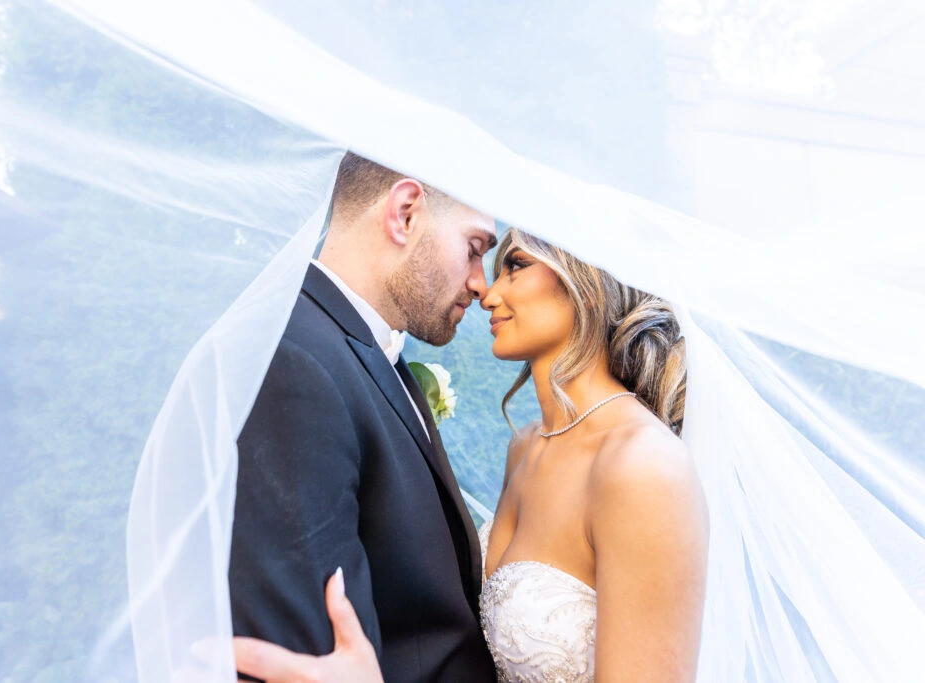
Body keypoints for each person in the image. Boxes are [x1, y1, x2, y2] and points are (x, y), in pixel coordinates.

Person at [234, 227, 709, 682]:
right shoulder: (526, 447)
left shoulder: (644, 466)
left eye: (515, 266)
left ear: (587, 283)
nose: (488, 294)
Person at [228, 151, 499, 682]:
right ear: (405, 214)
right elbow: (310, 653)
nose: (480, 284)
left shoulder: (362, 350)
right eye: (473, 250)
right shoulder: (296, 362)